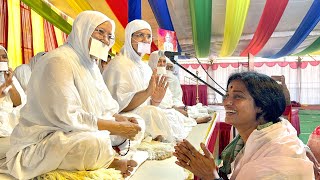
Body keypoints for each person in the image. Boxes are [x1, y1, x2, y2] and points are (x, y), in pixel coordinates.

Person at [0, 11, 143, 179]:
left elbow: (106, 107)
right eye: (100, 32)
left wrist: (122, 121)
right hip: (50, 137)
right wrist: (116, 127)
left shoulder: (91, 65)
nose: (105, 40)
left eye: (109, 36)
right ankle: (107, 160)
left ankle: (102, 156)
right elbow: (67, 117)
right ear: (83, 29)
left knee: (138, 122)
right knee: (93, 143)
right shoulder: (58, 60)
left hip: (85, 129)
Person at [173, 71, 314, 179]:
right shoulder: (251, 136)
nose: (227, 102)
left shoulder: (279, 158)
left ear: (262, 106)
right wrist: (213, 172)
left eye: (238, 96)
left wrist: (211, 177)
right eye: (227, 95)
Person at [103, 20, 174, 142]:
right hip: (122, 117)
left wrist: (155, 100)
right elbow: (118, 107)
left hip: (143, 114)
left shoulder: (145, 67)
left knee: (159, 112)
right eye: (140, 35)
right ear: (129, 37)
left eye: (148, 36)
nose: (145, 40)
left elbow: (146, 104)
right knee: (151, 113)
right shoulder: (119, 64)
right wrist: (147, 93)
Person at [148, 51, 196, 140]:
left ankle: (191, 120)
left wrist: (173, 107)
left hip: (168, 108)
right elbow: (150, 100)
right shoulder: (148, 77)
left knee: (176, 114)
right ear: (153, 62)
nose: (162, 64)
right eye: (159, 61)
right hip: (155, 109)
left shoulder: (164, 77)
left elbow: (169, 97)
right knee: (169, 118)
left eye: (163, 61)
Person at [164, 57, 211, 123]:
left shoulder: (172, 78)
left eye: (164, 62)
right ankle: (194, 119)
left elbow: (176, 95)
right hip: (161, 106)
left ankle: (196, 113)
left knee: (184, 108)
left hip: (172, 103)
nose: (168, 69)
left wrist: (175, 105)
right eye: (167, 67)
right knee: (173, 112)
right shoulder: (153, 77)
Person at [0, 45, 26, 137]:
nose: (2, 60)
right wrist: (5, 85)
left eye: (4, 57)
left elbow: (18, 102)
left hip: (9, 113)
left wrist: (10, 83)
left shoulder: (10, 77)